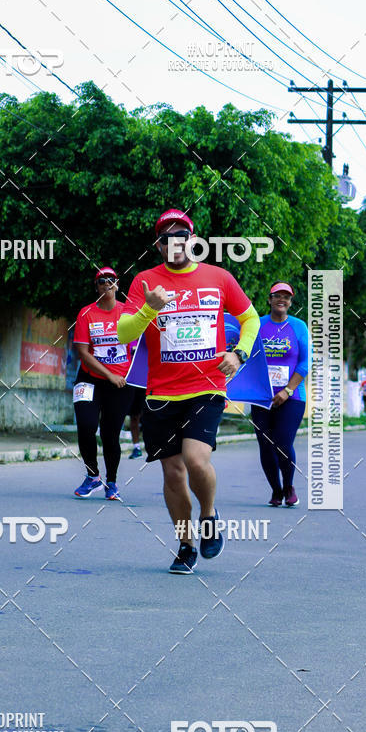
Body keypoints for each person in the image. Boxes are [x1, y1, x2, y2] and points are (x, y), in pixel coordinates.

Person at [117, 208, 259, 574]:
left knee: (196, 460)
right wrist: (150, 308)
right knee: (173, 475)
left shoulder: (219, 278)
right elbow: (124, 334)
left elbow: (250, 318)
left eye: (182, 235)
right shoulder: (145, 283)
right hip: (161, 394)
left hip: (206, 386)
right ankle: (185, 544)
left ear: (193, 241)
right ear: (159, 245)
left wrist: (239, 351)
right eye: (167, 237)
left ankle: (209, 514)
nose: (175, 242)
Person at [73, 267, 134, 499]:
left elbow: (140, 349)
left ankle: (112, 482)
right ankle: (92, 476)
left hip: (121, 384)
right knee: (86, 425)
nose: (106, 283)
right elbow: (83, 352)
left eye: (111, 280)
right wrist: (109, 375)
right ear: (96, 286)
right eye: (101, 281)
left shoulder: (128, 313)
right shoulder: (86, 313)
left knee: (110, 434)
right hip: (90, 379)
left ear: (117, 284)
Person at [250, 282, 310, 508]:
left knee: (283, 443)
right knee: (265, 445)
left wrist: (288, 390)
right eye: (277, 296)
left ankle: (289, 486)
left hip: (292, 396)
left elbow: (305, 363)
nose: (281, 300)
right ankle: (275, 490)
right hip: (261, 396)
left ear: (291, 302)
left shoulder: (298, 326)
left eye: (286, 297)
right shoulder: (257, 325)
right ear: (270, 299)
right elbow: (247, 355)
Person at [127, 338, 145, 459]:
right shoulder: (128, 338)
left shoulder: (146, 338)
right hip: (130, 381)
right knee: (134, 416)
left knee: (149, 415)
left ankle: (153, 444)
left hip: (146, 380)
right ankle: (136, 447)